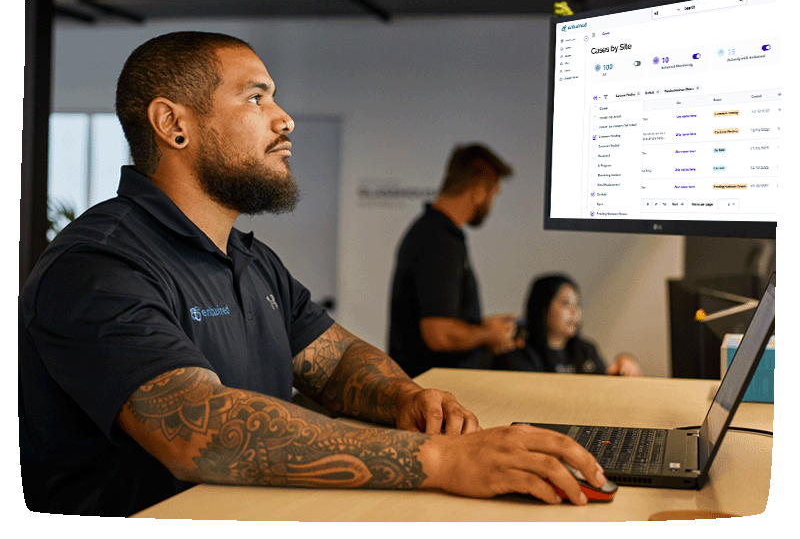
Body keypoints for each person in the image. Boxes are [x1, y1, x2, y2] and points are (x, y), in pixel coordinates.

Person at [19, 32, 605, 517]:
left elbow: (339, 361)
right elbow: (203, 432)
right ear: (174, 124)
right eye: (256, 99)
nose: (284, 118)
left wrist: (406, 397)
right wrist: (442, 461)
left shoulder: (251, 261)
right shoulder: (98, 266)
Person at [388, 144, 523, 379]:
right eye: (493, 193)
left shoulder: (434, 233)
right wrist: (489, 335)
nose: (491, 203)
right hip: (433, 392)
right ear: (479, 190)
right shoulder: (439, 242)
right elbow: (439, 335)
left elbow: (439, 318)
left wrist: (481, 326)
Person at [494, 273, 642, 376]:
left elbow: (605, 389)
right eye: (565, 303)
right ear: (542, 308)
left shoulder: (586, 351)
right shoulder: (519, 354)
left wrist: (623, 366)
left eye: (577, 304)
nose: (574, 311)